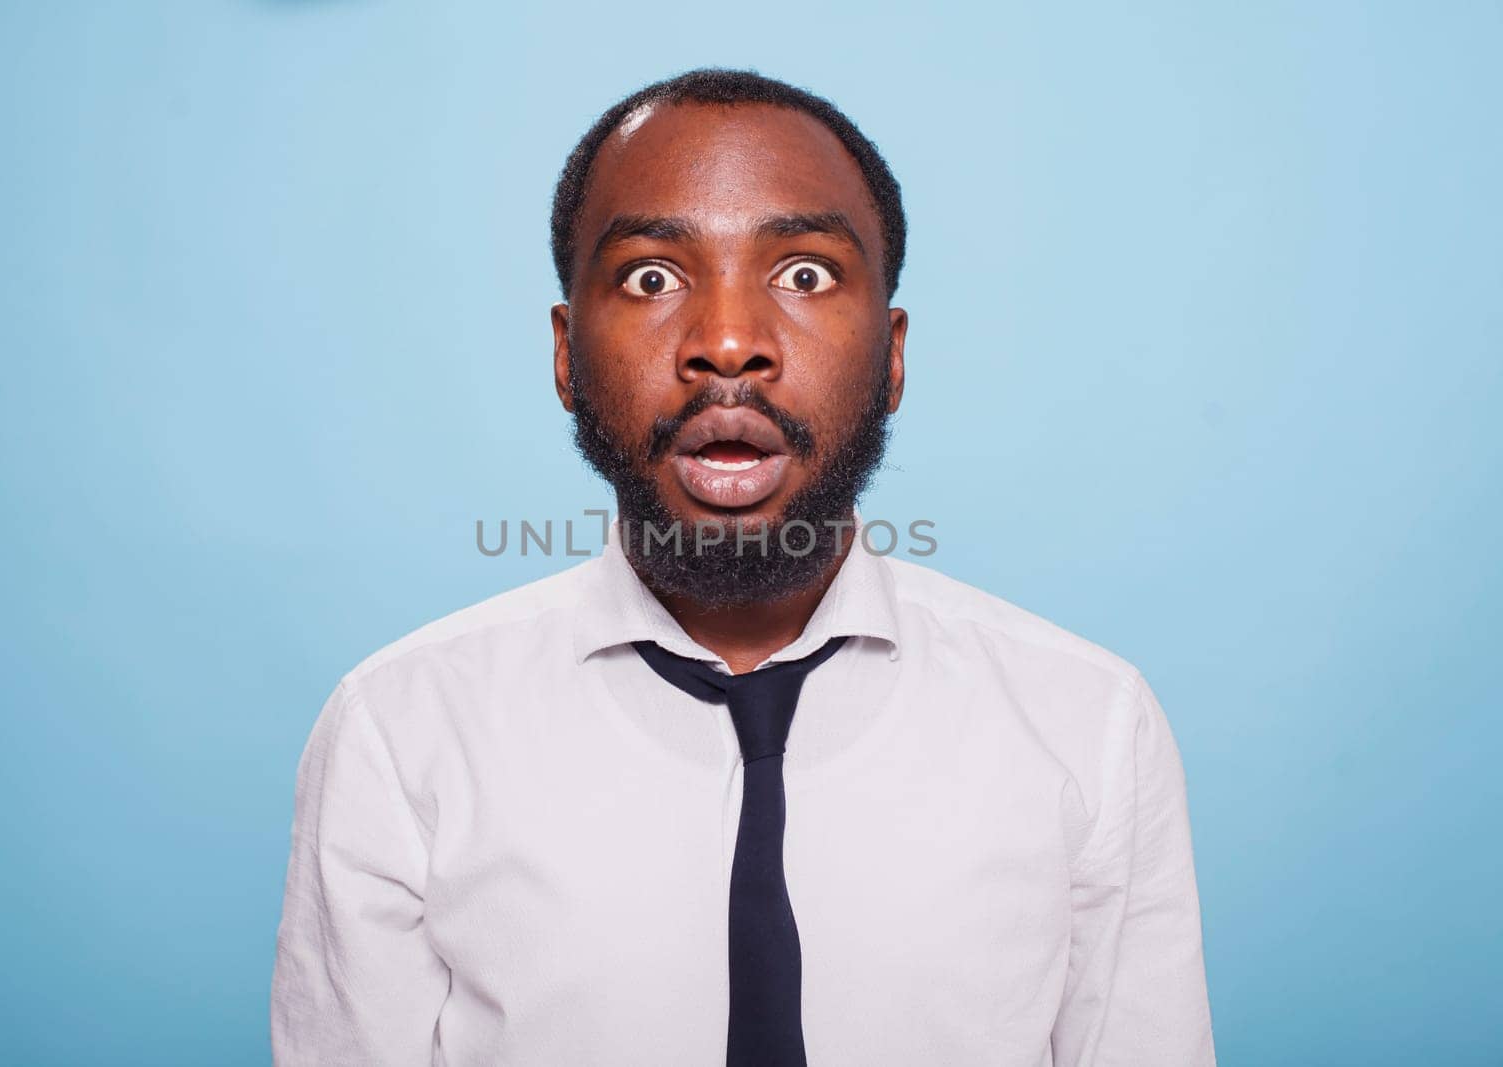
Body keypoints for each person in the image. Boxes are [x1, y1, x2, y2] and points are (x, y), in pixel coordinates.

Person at [270, 67, 1217, 1066]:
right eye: (650, 277)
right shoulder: (397, 730)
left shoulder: (1088, 723)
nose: (727, 342)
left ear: (892, 355)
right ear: (564, 354)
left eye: (804, 274)